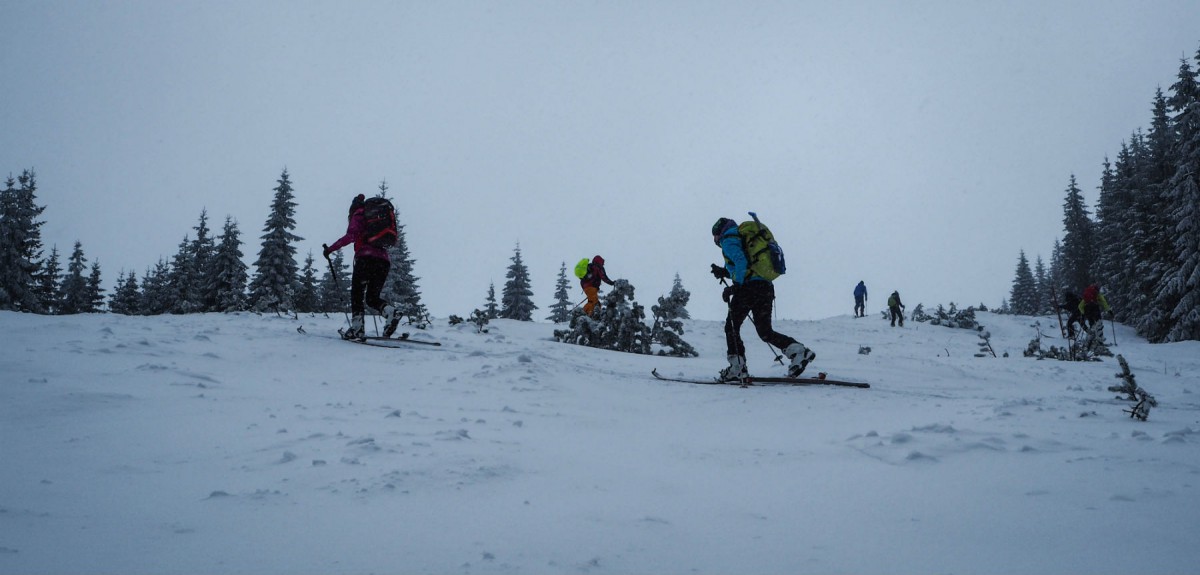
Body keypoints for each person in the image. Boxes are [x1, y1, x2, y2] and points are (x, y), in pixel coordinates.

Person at [711, 217, 814, 381]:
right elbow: (748, 266)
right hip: (765, 288)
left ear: (719, 232)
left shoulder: (728, 239)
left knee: (731, 327)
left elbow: (741, 261)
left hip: (748, 289)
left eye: (715, 236)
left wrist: (735, 286)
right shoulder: (744, 237)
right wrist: (724, 272)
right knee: (765, 332)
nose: (715, 240)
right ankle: (798, 352)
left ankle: (737, 367)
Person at [324, 194, 398, 340]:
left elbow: (350, 236)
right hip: (383, 262)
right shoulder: (378, 218)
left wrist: (330, 250)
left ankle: (357, 328)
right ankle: (391, 312)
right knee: (372, 298)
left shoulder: (358, 214)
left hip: (366, 259)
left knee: (357, 294)